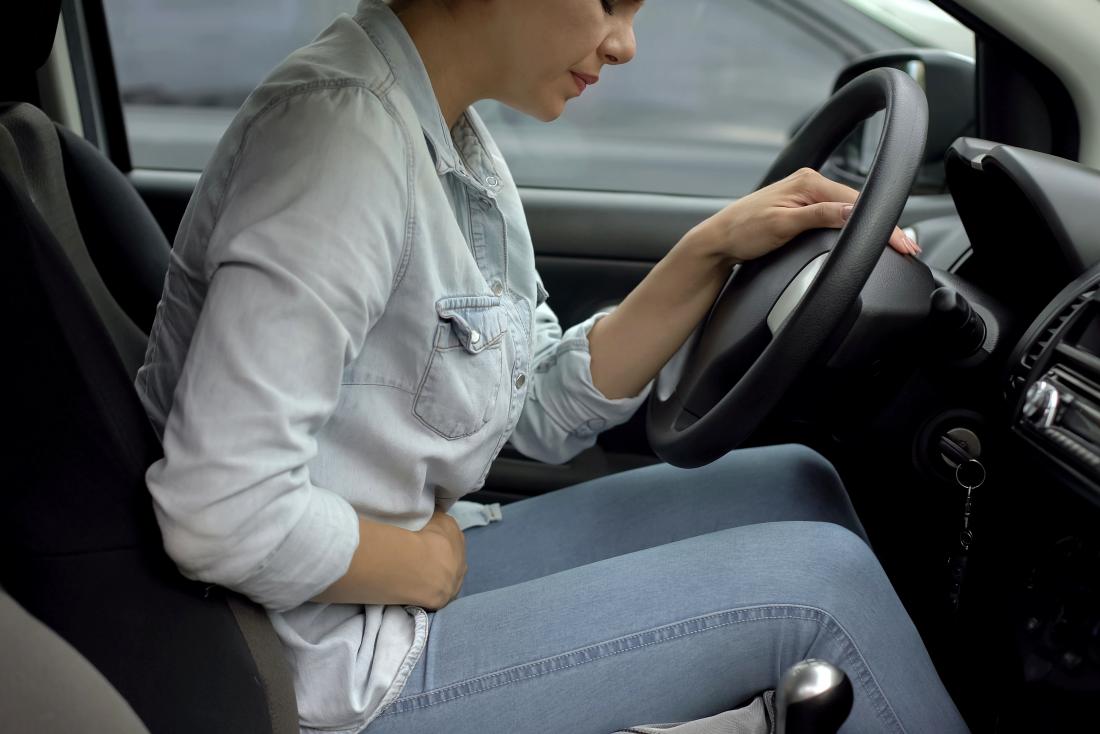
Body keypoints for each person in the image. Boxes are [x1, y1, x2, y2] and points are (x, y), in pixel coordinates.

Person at [134, 0, 965, 732]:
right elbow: (221, 510)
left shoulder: (447, 135)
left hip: (391, 579)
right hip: (324, 665)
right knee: (823, 590)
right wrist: (418, 565)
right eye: (608, 2)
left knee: (794, 481)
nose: (625, 44)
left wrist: (712, 249)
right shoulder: (339, 149)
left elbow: (528, 401)